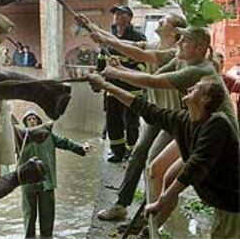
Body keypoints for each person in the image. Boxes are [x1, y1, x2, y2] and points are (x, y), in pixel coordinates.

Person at [87, 74, 239, 239]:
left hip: (232, 201)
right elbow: (145, 108)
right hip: (218, 197)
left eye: (196, 88)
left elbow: (194, 167)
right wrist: (106, 86)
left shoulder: (217, 125)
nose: (189, 88)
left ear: (205, 99)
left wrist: (161, 201)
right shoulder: (183, 120)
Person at [77, 13, 187, 222]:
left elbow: (138, 55)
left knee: (155, 164)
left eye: (165, 20)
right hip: (156, 115)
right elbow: (122, 43)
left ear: (175, 32)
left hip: (175, 119)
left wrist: (116, 72)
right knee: (138, 155)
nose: (160, 21)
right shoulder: (154, 45)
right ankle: (122, 206)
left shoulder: (175, 53)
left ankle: (151, 213)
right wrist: (91, 26)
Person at [16, 109, 90, 238]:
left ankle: (47, 236)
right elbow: (5, 151)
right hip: (27, 183)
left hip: (47, 181)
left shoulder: (47, 135)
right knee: (29, 215)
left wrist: (81, 148)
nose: (32, 121)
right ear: (25, 123)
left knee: (47, 215)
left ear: (39, 121)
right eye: (29, 119)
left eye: (34, 118)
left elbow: (64, 142)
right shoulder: (20, 138)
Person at [97, 5, 147, 163]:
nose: (117, 16)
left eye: (121, 13)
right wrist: (99, 79)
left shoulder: (138, 38)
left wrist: (123, 71)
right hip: (112, 89)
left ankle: (131, 153)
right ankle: (117, 152)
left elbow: (143, 65)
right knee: (113, 123)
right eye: (116, 13)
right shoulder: (109, 37)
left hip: (132, 91)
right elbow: (101, 61)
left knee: (131, 123)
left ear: (130, 18)